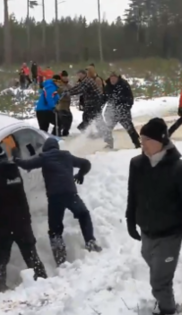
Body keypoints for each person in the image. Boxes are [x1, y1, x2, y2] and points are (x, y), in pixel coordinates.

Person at [0, 145, 48, 296]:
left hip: (2, 225)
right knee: (31, 254)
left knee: (0, 259)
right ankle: (43, 280)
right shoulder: (15, 172)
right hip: (23, 223)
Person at [14, 138, 102, 267]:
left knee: (55, 228)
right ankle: (90, 241)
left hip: (55, 198)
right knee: (83, 214)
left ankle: (60, 257)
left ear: (45, 148)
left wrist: (15, 158)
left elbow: (26, 165)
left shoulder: (43, 157)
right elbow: (86, 163)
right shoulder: (67, 156)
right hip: (70, 194)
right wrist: (80, 175)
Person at [126, 118, 182, 315]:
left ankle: (168, 310)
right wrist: (130, 220)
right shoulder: (137, 164)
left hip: (170, 234)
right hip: (147, 231)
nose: (142, 144)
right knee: (152, 265)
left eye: (146, 140)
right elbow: (132, 194)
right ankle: (164, 299)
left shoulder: (177, 168)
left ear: (160, 140)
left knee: (159, 281)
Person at [103, 72, 140, 149]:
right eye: (111, 78)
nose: (112, 80)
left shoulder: (124, 85)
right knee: (108, 128)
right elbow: (105, 98)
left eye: (114, 78)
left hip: (123, 110)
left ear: (117, 78)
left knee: (129, 128)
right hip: (112, 111)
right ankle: (109, 144)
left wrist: (125, 107)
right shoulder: (108, 86)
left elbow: (130, 99)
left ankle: (137, 143)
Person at [55, 71, 73, 137]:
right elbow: (59, 90)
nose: (65, 78)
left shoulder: (68, 85)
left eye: (66, 76)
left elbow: (73, 89)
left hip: (67, 108)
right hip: (60, 107)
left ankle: (65, 134)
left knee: (69, 122)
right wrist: (64, 91)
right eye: (64, 76)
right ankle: (58, 135)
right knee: (62, 123)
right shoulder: (59, 85)